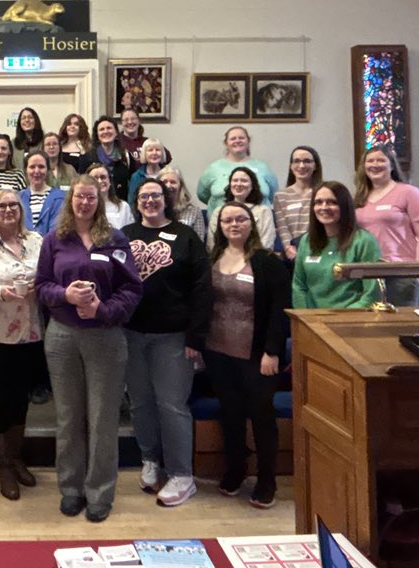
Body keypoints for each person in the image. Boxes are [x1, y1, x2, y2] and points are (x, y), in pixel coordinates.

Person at [36, 175, 142, 523]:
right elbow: (41, 286)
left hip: (105, 336)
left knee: (102, 418)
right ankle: (70, 488)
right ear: (71, 201)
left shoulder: (115, 239)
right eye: (79, 197)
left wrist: (102, 309)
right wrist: (65, 295)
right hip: (63, 335)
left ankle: (99, 492)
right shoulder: (55, 240)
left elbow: (132, 289)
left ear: (100, 201)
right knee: (68, 416)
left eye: (91, 198)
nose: (84, 202)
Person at [123, 179, 212, 507]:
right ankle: (151, 460)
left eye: (155, 196)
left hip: (173, 337)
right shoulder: (126, 235)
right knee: (140, 402)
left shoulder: (186, 237)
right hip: (131, 334)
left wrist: (196, 336)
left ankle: (182, 474)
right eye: (144, 196)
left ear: (166, 200)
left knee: (172, 405)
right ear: (137, 201)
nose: (150, 201)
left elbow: (203, 289)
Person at [205, 202, 290, 509]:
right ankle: (236, 469)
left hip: (256, 355)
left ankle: (267, 480)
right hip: (218, 351)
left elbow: (279, 312)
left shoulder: (267, 261)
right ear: (220, 226)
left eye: (241, 219)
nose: (234, 224)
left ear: (251, 224)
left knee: (262, 416)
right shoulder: (212, 258)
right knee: (230, 414)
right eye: (228, 220)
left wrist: (272, 351)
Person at [0, 190, 44, 500]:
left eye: (14, 205)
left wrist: (38, 286)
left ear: (21, 209)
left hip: (31, 332)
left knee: (22, 397)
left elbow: (51, 277)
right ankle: (3, 465)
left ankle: (17, 457)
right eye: (2, 206)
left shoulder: (38, 242)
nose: (8, 210)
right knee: (1, 399)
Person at [353, 145, 419, 306]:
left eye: (381, 160)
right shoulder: (359, 197)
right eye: (370, 161)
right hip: (368, 272)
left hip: (402, 271)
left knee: (405, 325)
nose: (375, 164)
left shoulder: (409, 192)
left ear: (391, 165)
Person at [293, 182, 381, 309]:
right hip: (311, 320)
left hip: (350, 320)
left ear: (345, 206)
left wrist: (338, 318)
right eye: (318, 202)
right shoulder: (306, 241)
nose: (324, 207)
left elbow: (371, 295)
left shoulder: (364, 241)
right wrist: (305, 317)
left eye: (332, 202)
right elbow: (298, 286)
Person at [197, 126, 279, 215]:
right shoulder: (214, 168)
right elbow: (202, 194)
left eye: (241, 138)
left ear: (248, 141)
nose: (237, 141)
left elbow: (273, 196)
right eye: (233, 139)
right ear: (226, 143)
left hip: (259, 223)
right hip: (221, 224)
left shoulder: (263, 167)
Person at [206, 167, 277, 253]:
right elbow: (212, 243)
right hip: (224, 261)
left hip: (257, 261)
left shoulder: (263, 211)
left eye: (244, 181)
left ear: (252, 185)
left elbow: (267, 243)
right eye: (235, 180)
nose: (239, 184)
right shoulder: (218, 212)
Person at [273, 146, 323, 262]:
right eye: (297, 161)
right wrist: (288, 248)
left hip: (319, 250)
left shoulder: (322, 192)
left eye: (307, 161)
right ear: (291, 166)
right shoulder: (281, 196)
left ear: (315, 166)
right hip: (292, 254)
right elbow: (282, 227)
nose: (302, 166)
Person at [19, 150, 65, 237]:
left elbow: (56, 232)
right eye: (32, 167)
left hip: (50, 248)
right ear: (25, 170)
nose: (37, 171)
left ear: (48, 170)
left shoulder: (60, 198)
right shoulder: (18, 198)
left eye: (41, 167)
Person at [91, 115, 135, 202]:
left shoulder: (126, 156)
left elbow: (132, 185)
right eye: (102, 129)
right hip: (95, 204)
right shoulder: (88, 157)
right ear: (97, 134)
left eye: (109, 128)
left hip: (120, 205)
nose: (106, 131)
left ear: (116, 133)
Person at [157, 165, 206, 242]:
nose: (168, 186)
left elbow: (198, 242)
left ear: (181, 186)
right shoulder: (154, 211)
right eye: (164, 182)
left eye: (173, 182)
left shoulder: (194, 212)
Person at [88, 162, 134, 231]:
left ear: (110, 181)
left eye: (103, 177)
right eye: (95, 178)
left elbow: (130, 232)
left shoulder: (123, 207)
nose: (100, 181)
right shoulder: (85, 206)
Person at [127, 138, 169, 208]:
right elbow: (132, 203)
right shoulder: (136, 176)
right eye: (150, 150)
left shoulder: (168, 174)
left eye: (157, 150)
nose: (154, 153)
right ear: (144, 154)